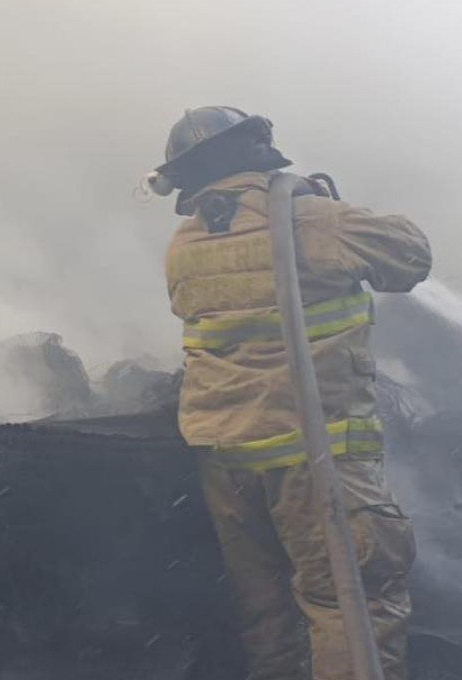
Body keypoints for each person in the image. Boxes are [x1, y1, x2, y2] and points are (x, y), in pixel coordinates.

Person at [149, 106, 429, 680]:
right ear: (260, 150)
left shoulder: (184, 244)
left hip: (228, 465)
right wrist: (320, 199)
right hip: (315, 457)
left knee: (268, 615)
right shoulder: (312, 221)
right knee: (350, 605)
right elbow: (411, 256)